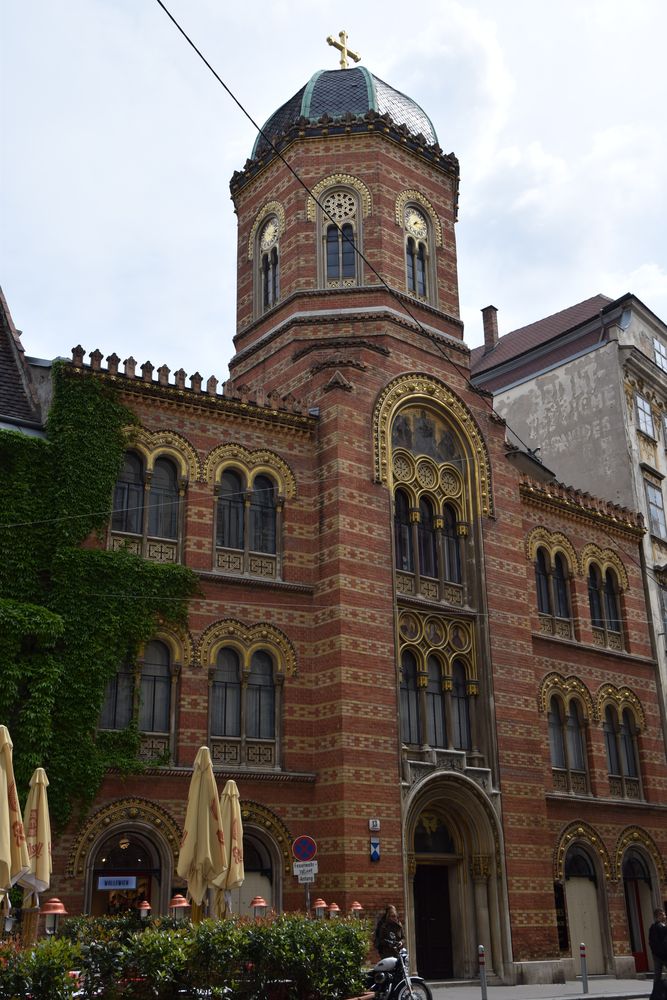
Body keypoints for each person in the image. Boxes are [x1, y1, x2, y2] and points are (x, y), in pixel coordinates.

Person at [649, 906, 667, 1000]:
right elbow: (656, 942)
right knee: (657, 975)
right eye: (663, 914)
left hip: (658, 955)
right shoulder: (658, 927)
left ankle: (656, 995)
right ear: (659, 916)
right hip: (662, 955)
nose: (665, 916)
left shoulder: (657, 927)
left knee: (657, 975)